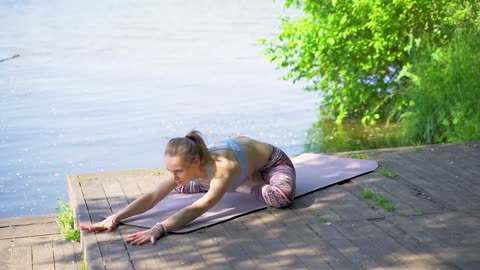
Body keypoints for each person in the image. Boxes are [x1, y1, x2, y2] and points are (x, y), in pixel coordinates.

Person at [80, 130, 296, 245]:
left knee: (281, 197)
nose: (173, 176)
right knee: (182, 187)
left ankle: (245, 185)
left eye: (178, 171)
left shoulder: (222, 169)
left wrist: (161, 227)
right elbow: (154, 196)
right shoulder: (187, 166)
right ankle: (241, 181)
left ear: (195, 162)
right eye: (170, 171)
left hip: (272, 162)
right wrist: (116, 216)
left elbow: (200, 206)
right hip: (238, 166)